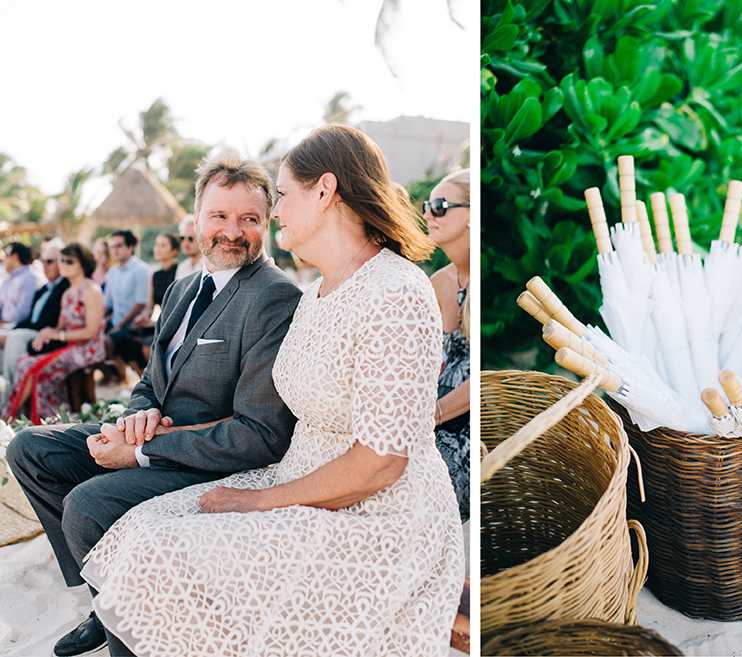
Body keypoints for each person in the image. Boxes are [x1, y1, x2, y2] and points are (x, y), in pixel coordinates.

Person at [80, 125, 464, 656]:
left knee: (161, 555)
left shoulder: (395, 292)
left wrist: (258, 501)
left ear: (325, 192)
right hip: (297, 479)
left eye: (283, 195)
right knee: (140, 530)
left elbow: (380, 464)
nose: (276, 211)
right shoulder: (315, 295)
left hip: (378, 515)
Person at [6, 148, 302, 657]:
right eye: (219, 216)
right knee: (31, 450)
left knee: (87, 505)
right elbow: (150, 380)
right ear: (196, 219)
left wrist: (141, 451)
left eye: (248, 219)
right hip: (152, 433)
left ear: (268, 222)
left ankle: (129, 627)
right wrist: (134, 416)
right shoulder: (185, 287)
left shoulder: (275, 297)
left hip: (207, 458)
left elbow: (259, 434)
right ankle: (107, 599)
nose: (232, 231)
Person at [3, 243, 106, 424]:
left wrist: (58, 335)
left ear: (83, 264)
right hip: (69, 346)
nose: (63, 264)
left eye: (69, 261)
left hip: (88, 349)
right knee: (24, 361)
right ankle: (28, 418)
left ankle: (13, 417)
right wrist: (46, 333)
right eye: (61, 260)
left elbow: (91, 332)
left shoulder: (92, 290)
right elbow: (60, 326)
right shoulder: (67, 293)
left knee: (33, 367)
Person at [424, 168, 471, 523]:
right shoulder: (439, 282)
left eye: (440, 205)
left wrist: (431, 416)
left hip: (471, 428)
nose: (428, 214)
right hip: (431, 418)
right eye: (427, 205)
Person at [109, 233, 180, 373]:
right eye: (156, 244)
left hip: (172, 324)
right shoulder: (155, 275)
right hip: (158, 323)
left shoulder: (179, 273)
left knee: (145, 345)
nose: (157, 249)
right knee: (125, 339)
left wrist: (154, 323)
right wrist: (143, 317)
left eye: (163, 245)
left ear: (174, 251)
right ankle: (143, 381)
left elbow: (178, 310)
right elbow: (149, 308)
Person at [0, 241, 70, 383]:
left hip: (47, 334)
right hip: (29, 328)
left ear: (61, 263)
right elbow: (31, 318)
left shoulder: (65, 288)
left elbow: (46, 322)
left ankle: (13, 390)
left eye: (49, 261)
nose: (44, 265)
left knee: (14, 338)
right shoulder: (44, 289)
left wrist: (11, 330)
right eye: (43, 261)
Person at [101, 230, 151, 334]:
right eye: (112, 246)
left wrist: (119, 327)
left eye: (119, 246)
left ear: (130, 247)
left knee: (107, 342)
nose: (114, 250)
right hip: (113, 322)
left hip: (133, 327)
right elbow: (107, 304)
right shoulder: (112, 272)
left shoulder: (142, 270)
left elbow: (140, 303)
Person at [0, 242, 44, 326]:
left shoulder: (31, 278)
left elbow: (23, 312)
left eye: (6, 255)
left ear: (15, 256)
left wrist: (3, 323)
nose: (4, 259)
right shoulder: (8, 279)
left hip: (16, 327)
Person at [174, 215, 203, 280]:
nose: (185, 243)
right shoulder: (182, 267)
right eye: (182, 238)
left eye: (190, 239)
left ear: (201, 239)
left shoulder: (210, 267)